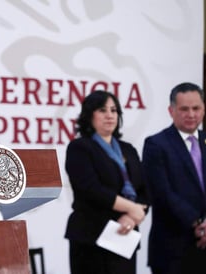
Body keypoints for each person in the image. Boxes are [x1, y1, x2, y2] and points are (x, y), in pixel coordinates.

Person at [142, 82, 206, 274]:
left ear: (203, 109)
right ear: (171, 111)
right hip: (173, 249)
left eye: (196, 108)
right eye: (184, 109)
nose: (191, 114)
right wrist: (198, 223)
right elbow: (162, 193)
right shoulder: (156, 144)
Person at [64, 90, 149, 274]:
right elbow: (91, 189)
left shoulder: (129, 150)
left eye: (114, 110)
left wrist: (132, 217)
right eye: (102, 110)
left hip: (125, 235)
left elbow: (144, 189)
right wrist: (132, 207)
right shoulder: (80, 148)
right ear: (89, 115)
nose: (110, 115)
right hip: (91, 237)